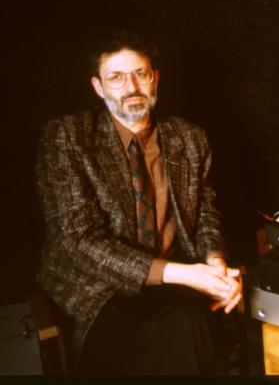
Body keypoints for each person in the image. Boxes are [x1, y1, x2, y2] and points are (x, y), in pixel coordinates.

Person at [35, 29, 242, 374]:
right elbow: (78, 240)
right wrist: (186, 275)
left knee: (189, 324)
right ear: (98, 88)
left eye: (139, 73)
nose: (131, 87)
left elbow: (205, 213)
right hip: (97, 291)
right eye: (115, 77)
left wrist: (215, 262)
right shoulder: (68, 137)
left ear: (154, 79)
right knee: (160, 349)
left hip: (170, 284)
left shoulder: (189, 138)